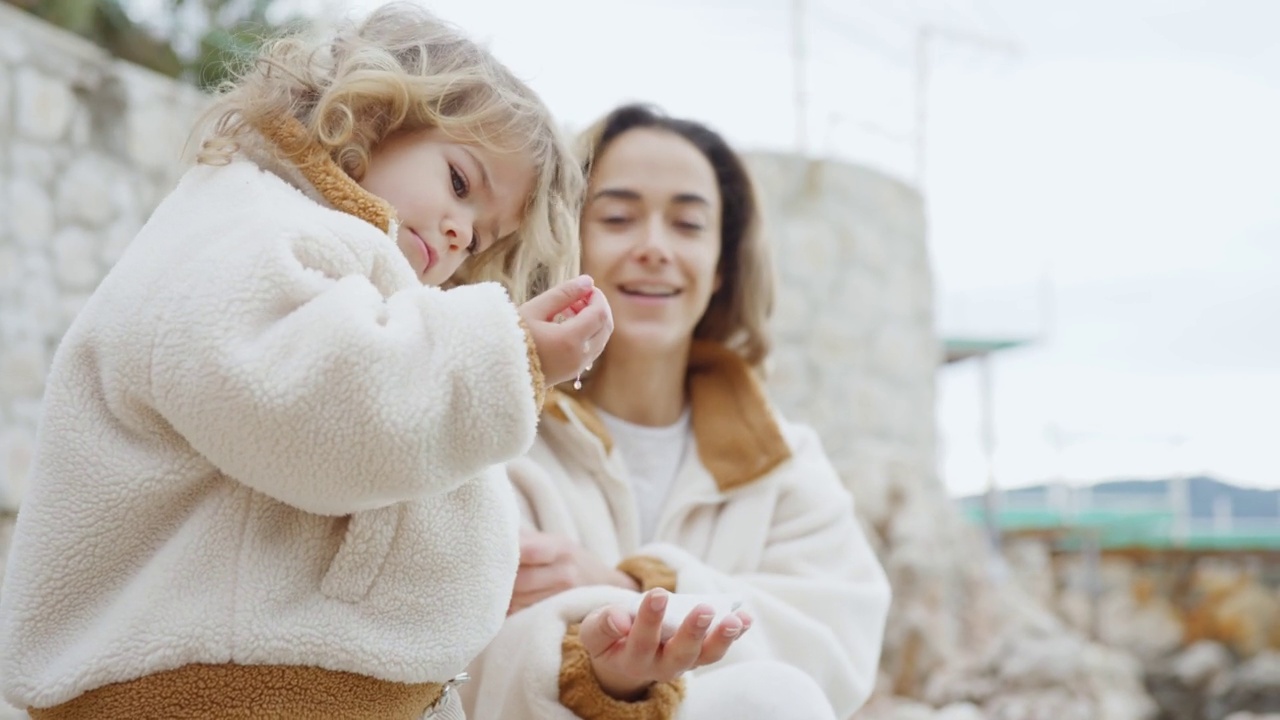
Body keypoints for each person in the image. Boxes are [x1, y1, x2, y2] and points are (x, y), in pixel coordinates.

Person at [0, 5, 611, 718]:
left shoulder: (350, 275)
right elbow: (308, 406)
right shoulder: (245, 226)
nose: (458, 231)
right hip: (189, 687)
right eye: (458, 182)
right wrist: (507, 355)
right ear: (374, 112)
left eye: (479, 238)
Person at [461, 103, 891, 720]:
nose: (654, 247)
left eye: (688, 225)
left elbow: (832, 651)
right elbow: (455, 658)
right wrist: (602, 672)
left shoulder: (784, 465)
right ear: (567, 233)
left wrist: (629, 589)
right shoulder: (493, 430)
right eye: (617, 216)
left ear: (721, 265)